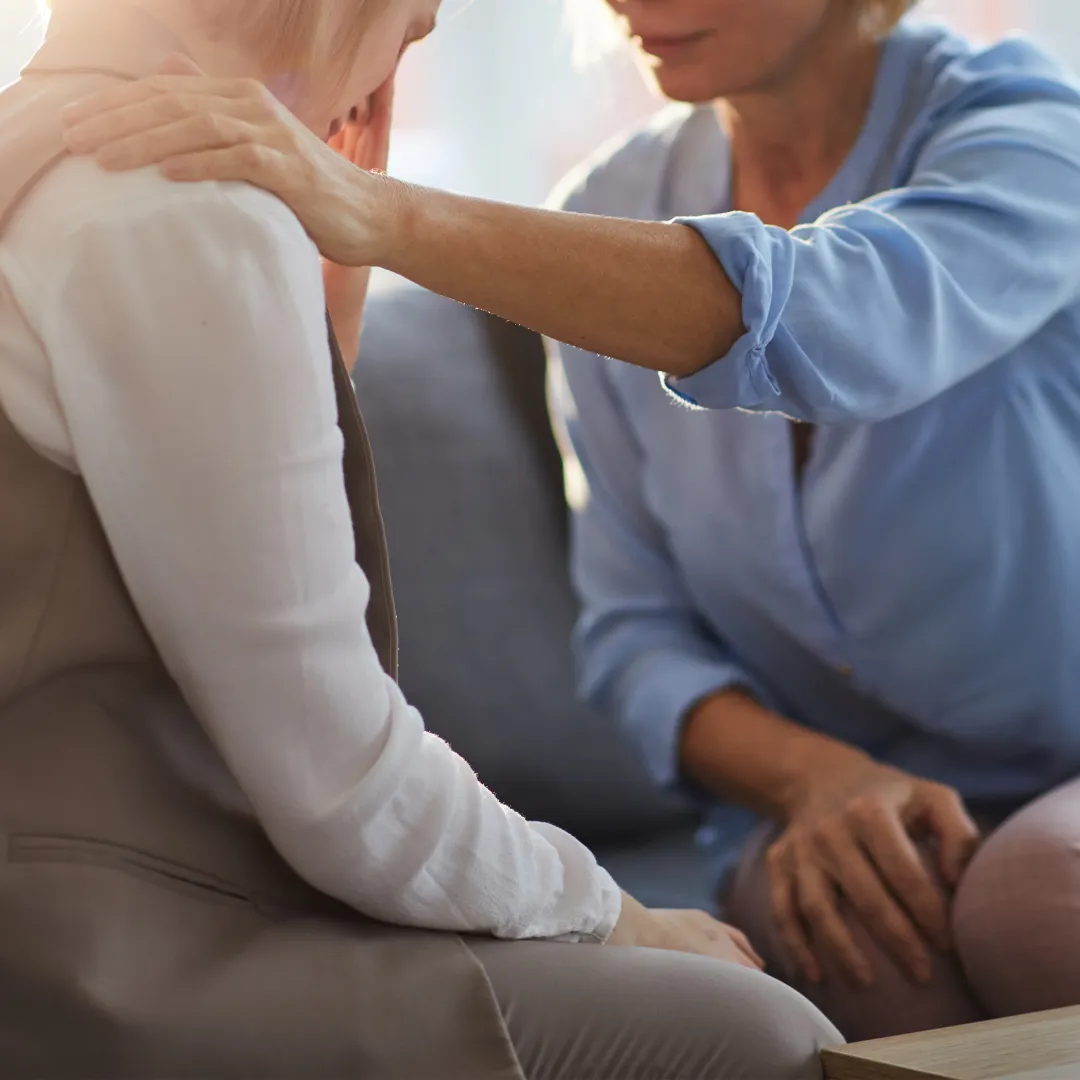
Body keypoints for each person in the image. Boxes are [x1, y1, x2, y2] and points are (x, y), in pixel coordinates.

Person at [62, 0, 1080, 1045]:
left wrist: (378, 210)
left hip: (1065, 766)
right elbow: (637, 635)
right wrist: (817, 779)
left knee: (1037, 906)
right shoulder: (615, 203)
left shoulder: (1028, 137)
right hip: (816, 804)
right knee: (859, 961)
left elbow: (844, 317)